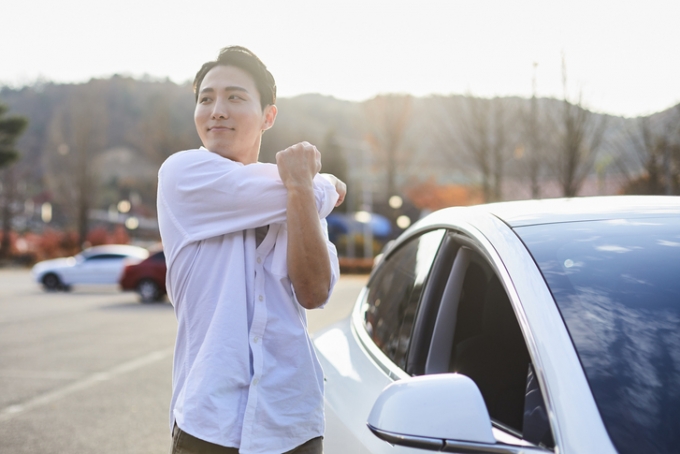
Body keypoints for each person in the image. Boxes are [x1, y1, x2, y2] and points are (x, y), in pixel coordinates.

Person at [157, 46, 346, 454]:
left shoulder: (298, 193)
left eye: (235, 97)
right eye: (206, 98)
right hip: (210, 424)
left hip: (291, 422)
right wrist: (324, 184)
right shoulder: (182, 175)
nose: (217, 110)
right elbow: (316, 190)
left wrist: (304, 189)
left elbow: (314, 293)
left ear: (268, 117)